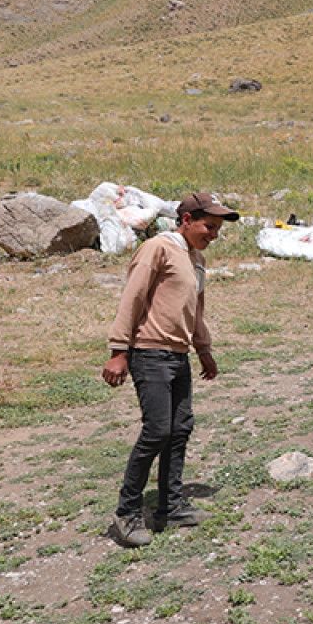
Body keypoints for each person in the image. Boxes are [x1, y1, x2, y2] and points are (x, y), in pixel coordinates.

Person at [102, 192, 239, 548]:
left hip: (177, 355)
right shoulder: (158, 248)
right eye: (209, 227)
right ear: (187, 220)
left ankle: (170, 506)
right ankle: (127, 513)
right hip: (149, 352)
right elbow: (132, 296)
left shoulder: (195, 260)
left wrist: (203, 349)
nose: (214, 235)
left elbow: (196, 310)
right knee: (158, 430)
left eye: (218, 229)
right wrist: (119, 351)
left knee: (179, 429)